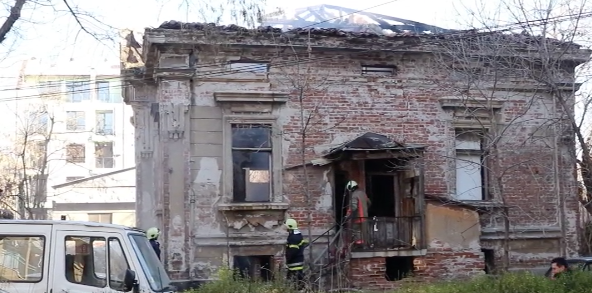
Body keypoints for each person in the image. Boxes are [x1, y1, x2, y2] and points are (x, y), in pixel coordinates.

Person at [284, 218, 308, 291]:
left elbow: (292, 250)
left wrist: (287, 259)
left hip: (294, 263)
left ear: (290, 226)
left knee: (296, 281)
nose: (285, 228)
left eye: (286, 226)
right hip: (296, 262)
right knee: (297, 280)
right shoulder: (296, 234)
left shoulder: (293, 237)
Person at [345, 180, 371, 245]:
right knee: (365, 231)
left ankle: (358, 245)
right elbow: (369, 203)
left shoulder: (354, 195)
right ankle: (366, 245)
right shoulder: (363, 193)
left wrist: (347, 215)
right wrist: (364, 209)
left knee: (356, 231)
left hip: (358, 217)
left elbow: (353, 207)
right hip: (365, 216)